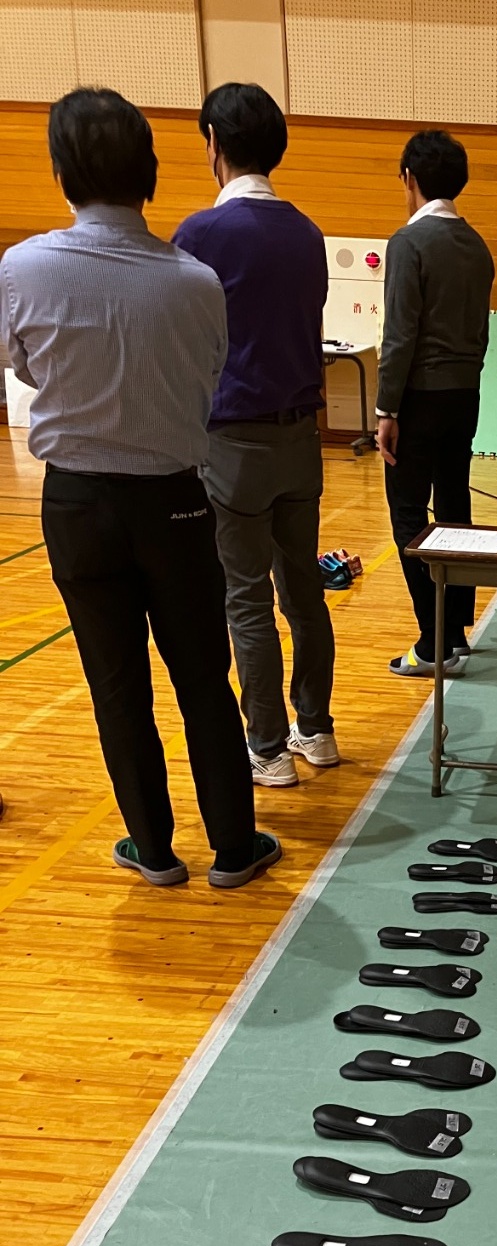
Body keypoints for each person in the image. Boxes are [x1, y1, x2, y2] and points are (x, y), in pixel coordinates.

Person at [0, 87, 279, 889]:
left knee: (115, 683)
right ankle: (234, 848)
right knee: (202, 677)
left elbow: (23, 364)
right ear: (151, 174)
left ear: (61, 173)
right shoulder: (195, 280)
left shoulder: (22, 268)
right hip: (175, 500)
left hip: (76, 501)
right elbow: (209, 373)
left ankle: (152, 849)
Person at [173, 83, 336, 789]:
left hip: (232, 441)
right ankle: (317, 730)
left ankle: (267, 748)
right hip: (301, 439)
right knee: (304, 594)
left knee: (246, 599)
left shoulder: (201, 234)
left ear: (213, 141)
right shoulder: (307, 232)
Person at [376, 129, 495, 677]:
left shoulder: (409, 242)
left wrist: (386, 410)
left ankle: (433, 641)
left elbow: (400, 335)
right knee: (454, 511)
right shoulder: (477, 246)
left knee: (407, 514)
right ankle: (456, 631)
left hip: (418, 398)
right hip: (465, 395)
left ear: (410, 178)